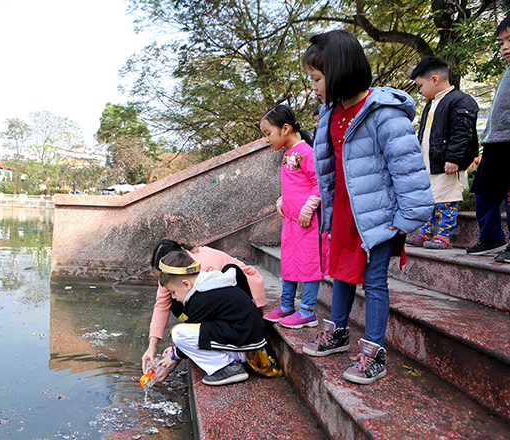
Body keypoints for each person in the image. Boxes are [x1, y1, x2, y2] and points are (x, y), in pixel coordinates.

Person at [300, 30, 434, 384]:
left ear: (340, 71)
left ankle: (374, 352)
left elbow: (409, 171)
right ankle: (338, 332)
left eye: (316, 78)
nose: (313, 86)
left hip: (379, 217)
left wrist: (406, 219)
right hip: (345, 212)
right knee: (341, 273)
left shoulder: (384, 113)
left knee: (374, 282)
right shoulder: (330, 113)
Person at [142, 239, 266, 376]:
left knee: (180, 332)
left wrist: (175, 356)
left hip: (245, 326)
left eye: (172, 291)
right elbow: (161, 304)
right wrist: (151, 347)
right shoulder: (189, 274)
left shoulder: (203, 284)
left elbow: (192, 327)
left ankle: (228, 368)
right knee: (178, 306)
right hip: (245, 330)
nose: (162, 283)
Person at [259, 105, 329, 329]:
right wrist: (282, 200)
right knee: (289, 262)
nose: (267, 139)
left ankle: (307, 311)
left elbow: (319, 185)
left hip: (307, 223)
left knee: (309, 266)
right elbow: (291, 185)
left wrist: (307, 210)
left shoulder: (307, 152)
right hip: (291, 222)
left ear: (285, 128)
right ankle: (287, 305)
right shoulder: (288, 154)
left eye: (268, 133)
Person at [407, 56, 479, 250]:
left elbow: (462, 132)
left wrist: (454, 158)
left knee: (446, 198)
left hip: (447, 163)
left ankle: (445, 234)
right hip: (429, 163)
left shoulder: (460, 101)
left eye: (420, 85)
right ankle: (427, 230)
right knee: (428, 198)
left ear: (435, 79)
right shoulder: (431, 104)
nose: (420, 91)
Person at [467, 13, 510, 263]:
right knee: (483, 191)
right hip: (495, 143)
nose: (505, 47)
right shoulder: (508, 69)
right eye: (501, 42)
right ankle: (492, 236)